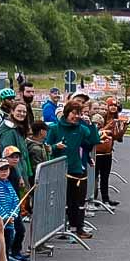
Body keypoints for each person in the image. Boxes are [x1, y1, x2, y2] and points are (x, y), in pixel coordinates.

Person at [45, 99, 101, 239]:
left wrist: (91, 125)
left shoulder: (81, 129)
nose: (77, 116)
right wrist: (55, 147)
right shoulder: (55, 128)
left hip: (77, 170)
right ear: (67, 113)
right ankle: (61, 228)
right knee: (62, 200)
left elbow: (93, 142)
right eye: (74, 113)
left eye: (79, 114)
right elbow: (46, 148)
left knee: (78, 201)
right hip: (59, 170)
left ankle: (78, 228)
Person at [0, 158, 23, 260]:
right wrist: (5, 216)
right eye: (1, 170)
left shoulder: (8, 184)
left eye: (6, 170)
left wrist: (12, 214)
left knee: (8, 239)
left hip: (9, 221)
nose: (4, 172)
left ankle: (6, 258)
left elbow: (16, 201)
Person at [96, 99, 129, 206]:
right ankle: (93, 199)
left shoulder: (115, 119)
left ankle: (105, 199)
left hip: (107, 152)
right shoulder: (99, 119)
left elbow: (116, 137)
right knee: (95, 177)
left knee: (105, 177)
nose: (113, 108)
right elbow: (98, 133)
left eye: (115, 106)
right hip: (97, 152)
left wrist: (123, 129)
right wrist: (109, 127)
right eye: (111, 105)